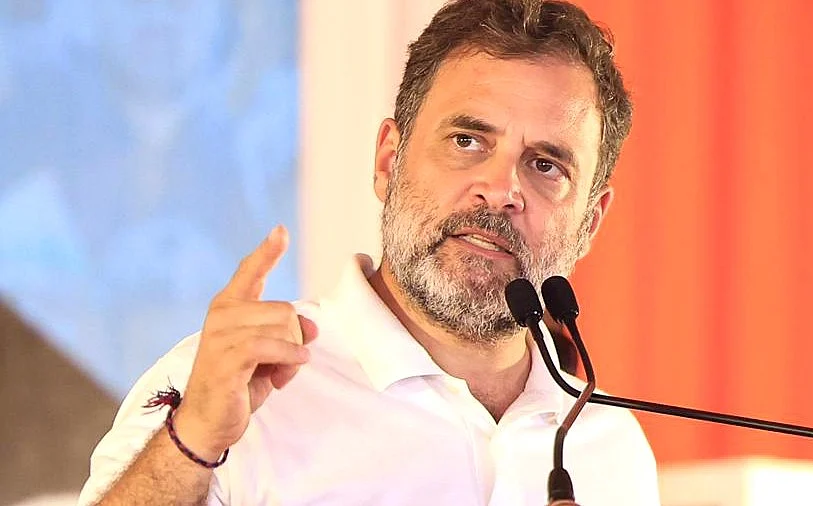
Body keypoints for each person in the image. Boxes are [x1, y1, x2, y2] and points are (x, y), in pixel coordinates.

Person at [78, 0, 660, 504]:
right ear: (388, 161)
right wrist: (194, 442)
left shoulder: (608, 443)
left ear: (591, 220)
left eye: (545, 165)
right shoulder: (227, 392)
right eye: (467, 141)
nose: (502, 190)